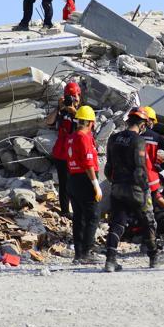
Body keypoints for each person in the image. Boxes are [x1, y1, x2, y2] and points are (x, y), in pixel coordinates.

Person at [103, 107, 164, 272]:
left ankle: (110, 261)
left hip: (117, 187)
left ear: (128, 121)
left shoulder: (113, 138)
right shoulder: (138, 141)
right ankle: (154, 256)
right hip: (135, 189)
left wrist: (115, 182)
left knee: (117, 223)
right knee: (148, 221)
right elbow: (140, 169)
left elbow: (107, 168)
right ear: (142, 125)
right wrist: (145, 190)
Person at [65, 106, 102, 264]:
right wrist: (96, 184)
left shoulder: (72, 137)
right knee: (93, 216)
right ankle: (87, 252)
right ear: (91, 123)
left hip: (72, 179)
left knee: (79, 217)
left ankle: (79, 254)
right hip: (85, 179)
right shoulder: (83, 137)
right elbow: (88, 164)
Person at [45, 82, 81, 218]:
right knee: (64, 183)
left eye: (75, 96)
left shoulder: (82, 111)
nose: (73, 99)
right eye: (70, 96)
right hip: (61, 153)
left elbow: (87, 128)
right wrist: (58, 108)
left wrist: (74, 113)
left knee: (77, 184)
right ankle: (65, 211)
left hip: (76, 154)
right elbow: (48, 122)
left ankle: (77, 209)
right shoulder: (61, 110)